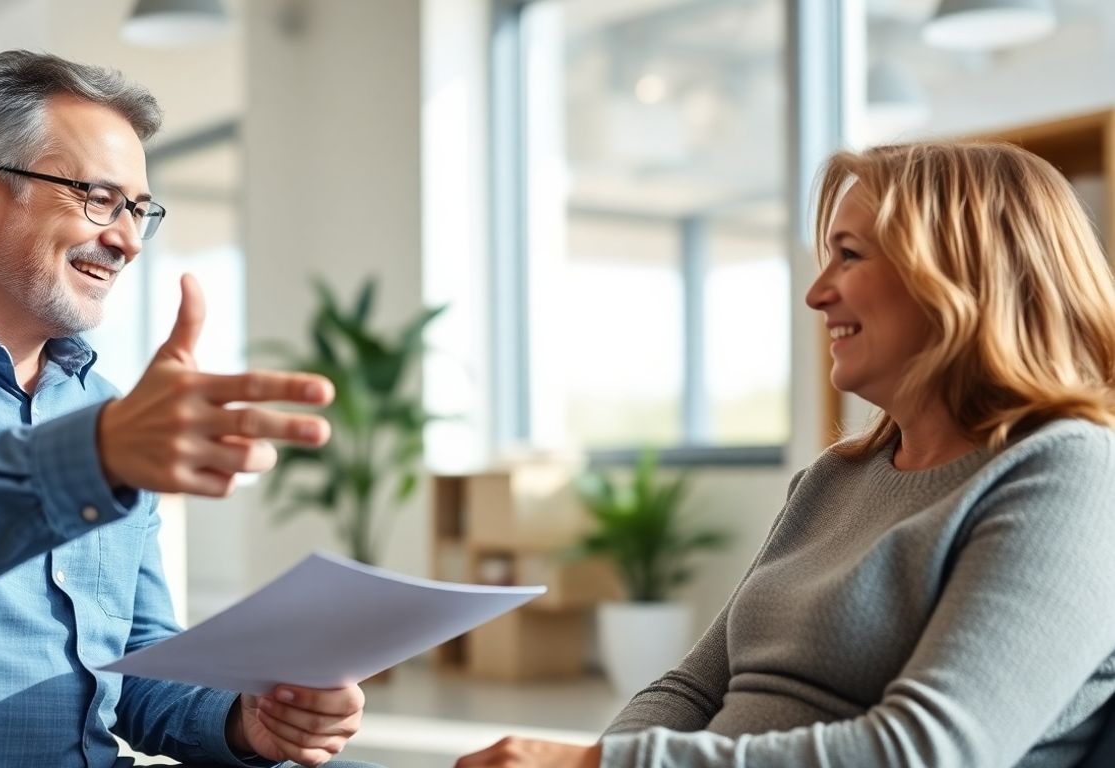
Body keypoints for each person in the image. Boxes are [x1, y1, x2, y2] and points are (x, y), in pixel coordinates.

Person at [0, 50, 381, 768]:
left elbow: (139, 670)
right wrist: (99, 453)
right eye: (101, 199)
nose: (129, 240)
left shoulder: (103, 410)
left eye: (140, 210)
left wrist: (248, 722)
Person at [455, 141, 1115, 767]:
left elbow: (926, 752)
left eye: (849, 255)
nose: (816, 293)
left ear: (961, 276)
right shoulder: (833, 479)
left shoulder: (1072, 473)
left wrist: (603, 764)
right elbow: (688, 692)